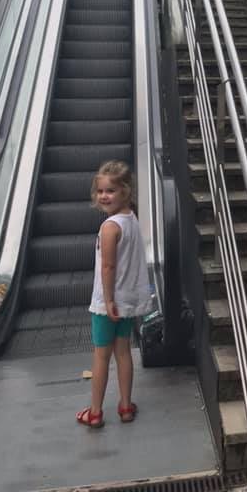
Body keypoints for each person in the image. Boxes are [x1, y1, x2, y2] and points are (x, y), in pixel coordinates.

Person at [76, 160, 151, 429]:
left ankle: (95, 412)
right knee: (124, 354)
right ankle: (126, 406)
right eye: (100, 191)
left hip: (107, 305)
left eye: (110, 191)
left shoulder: (110, 227)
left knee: (100, 356)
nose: (104, 196)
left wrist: (107, 301)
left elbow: (108, 266)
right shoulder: (131, 219)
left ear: (126, 191)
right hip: (127, 303)